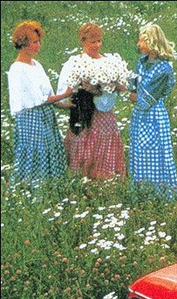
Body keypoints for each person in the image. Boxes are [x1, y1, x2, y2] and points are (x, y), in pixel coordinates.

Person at [57, 23, 126, 179]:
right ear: (83, 41)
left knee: (103, 142)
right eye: (93, 42)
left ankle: (103, 179)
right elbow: (64, 90)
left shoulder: (109, 61)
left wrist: (103, 88)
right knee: (82, 141)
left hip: (103, 111)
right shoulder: (75, 62)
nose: (97, 45)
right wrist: (71, 101)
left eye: (99, 41)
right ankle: (82, 179)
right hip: (83, 112)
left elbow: (121, 86)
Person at [7, 20, 73, 184]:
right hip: (31, 119)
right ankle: (32, 189)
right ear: (23, 44)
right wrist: (66, 94)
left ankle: (51, 187)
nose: (39, 45)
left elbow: (49, 96)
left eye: (38, 41)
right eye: (35, 42)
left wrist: (68, 105)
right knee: (36, 153)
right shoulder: (18, 69)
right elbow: (40, 100)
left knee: (50, 151)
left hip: (46, 117)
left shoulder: (36, 65)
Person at [128, 23, 177, 198]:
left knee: (157, 153)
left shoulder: (164, 69)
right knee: (140, 152)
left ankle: (161, 194)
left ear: (152, 43)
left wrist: (134, 94)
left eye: (142, 41)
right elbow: (132, 86)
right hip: (139, 116)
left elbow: (146, 99)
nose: (139, 44)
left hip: (154, 115)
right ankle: (142, 193)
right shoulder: (141, 62)